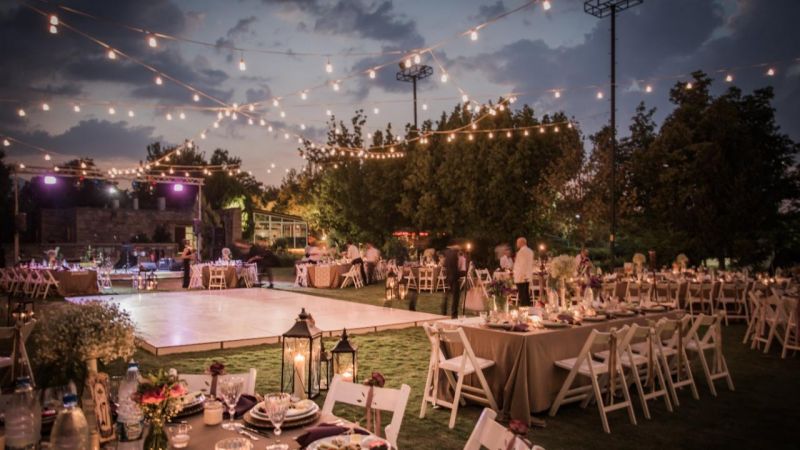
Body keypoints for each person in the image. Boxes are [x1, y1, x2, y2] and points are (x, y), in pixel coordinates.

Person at [513, 237, 534, 307]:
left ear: (521, 243)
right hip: (527, 275)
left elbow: (522, 265)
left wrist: (518, 274)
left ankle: (524, 308)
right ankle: (528, 308)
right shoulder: (530, 251)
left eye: (517, 242)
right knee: (526, 295)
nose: (517, 244)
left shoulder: (521, 252)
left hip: (521, 277)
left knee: (523, 295)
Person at [443, 243, 461, 318]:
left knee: (447, 295)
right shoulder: (455, 255)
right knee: (455, 297)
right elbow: (456, 267)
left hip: (448, 277)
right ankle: (454, 314)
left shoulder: (447, 254)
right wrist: (460, 274)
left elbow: (444, 265)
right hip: (454, 277)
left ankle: (443, 311)